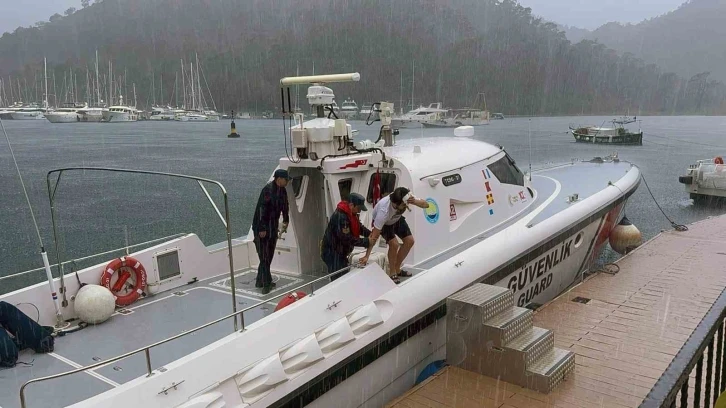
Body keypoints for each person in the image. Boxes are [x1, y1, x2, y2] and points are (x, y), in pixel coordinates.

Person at [363, 187, 429, 283]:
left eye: (403, 205)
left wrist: (414, 201)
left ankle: (397, 268)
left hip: (396, 219)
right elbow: (374, 236)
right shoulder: (383, 211)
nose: (404, 207)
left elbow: (426, 205)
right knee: (394, 244)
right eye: (400, 206)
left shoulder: (406, 197)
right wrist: (366, 256)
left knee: (410, 241)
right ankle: (392, 272)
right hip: (385, 223)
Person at [251, 168, 290, 293]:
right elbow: (262, 209)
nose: (288, 182)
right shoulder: (267, 190)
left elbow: (285, 205)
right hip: (262, 227)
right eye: (286, 179)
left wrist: (286, 219)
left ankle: (260, 280)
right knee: (265, 256)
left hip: (272, 226)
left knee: (268, 255)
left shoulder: (282, 191)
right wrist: (261, 228)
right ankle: (265, 283)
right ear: (279, 179)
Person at [321, 193, 372, 281]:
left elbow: (358, 227)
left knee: (344, 275)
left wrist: (370, 234)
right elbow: (346, 238)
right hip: (333, 253)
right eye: (359, 208)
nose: (359, 211)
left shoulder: (351, 214)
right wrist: (366, 242)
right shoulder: (341, 217)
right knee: (338, 278)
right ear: (351, 205)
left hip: (341, 252)